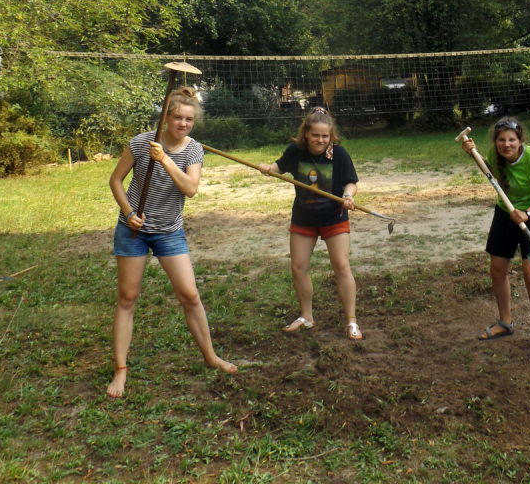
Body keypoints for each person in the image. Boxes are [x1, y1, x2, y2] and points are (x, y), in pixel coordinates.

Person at [106, 87, 237, 398]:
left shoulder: (193, 150)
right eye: (177, 117)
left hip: (169, 231)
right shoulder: (141, 142)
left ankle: (210, 356)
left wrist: (164, 159)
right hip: (133, 231)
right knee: (127, 298)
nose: (183, 124)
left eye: (189, 119)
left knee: (190, 295)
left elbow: (190, 189)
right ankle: (120, 371)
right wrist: (128, 211)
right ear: (166, 117)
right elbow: (115, 181)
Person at [258, 107, 364, 339]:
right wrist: (269, 169)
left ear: (331, 136)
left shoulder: (339, 153)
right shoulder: (296, 151)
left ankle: (351, 321)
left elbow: (351, 182)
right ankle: (306, 316)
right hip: (304, 218)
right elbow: (279, 166)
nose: (320, 140)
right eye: (316, 135)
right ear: (306, 133)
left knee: (341, 265)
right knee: (298, 267)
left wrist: (348, 196)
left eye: (325, 136)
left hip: (333, 217)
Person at [461, 117, 530, 363]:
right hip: (505, 214)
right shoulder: (497, 156)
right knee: (497, 268)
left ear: (520, 140)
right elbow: (491, 173)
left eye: (511, 140)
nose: (506, 145)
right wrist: (473, 154)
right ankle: (505, 322)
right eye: (502, 140)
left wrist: (528, 213)